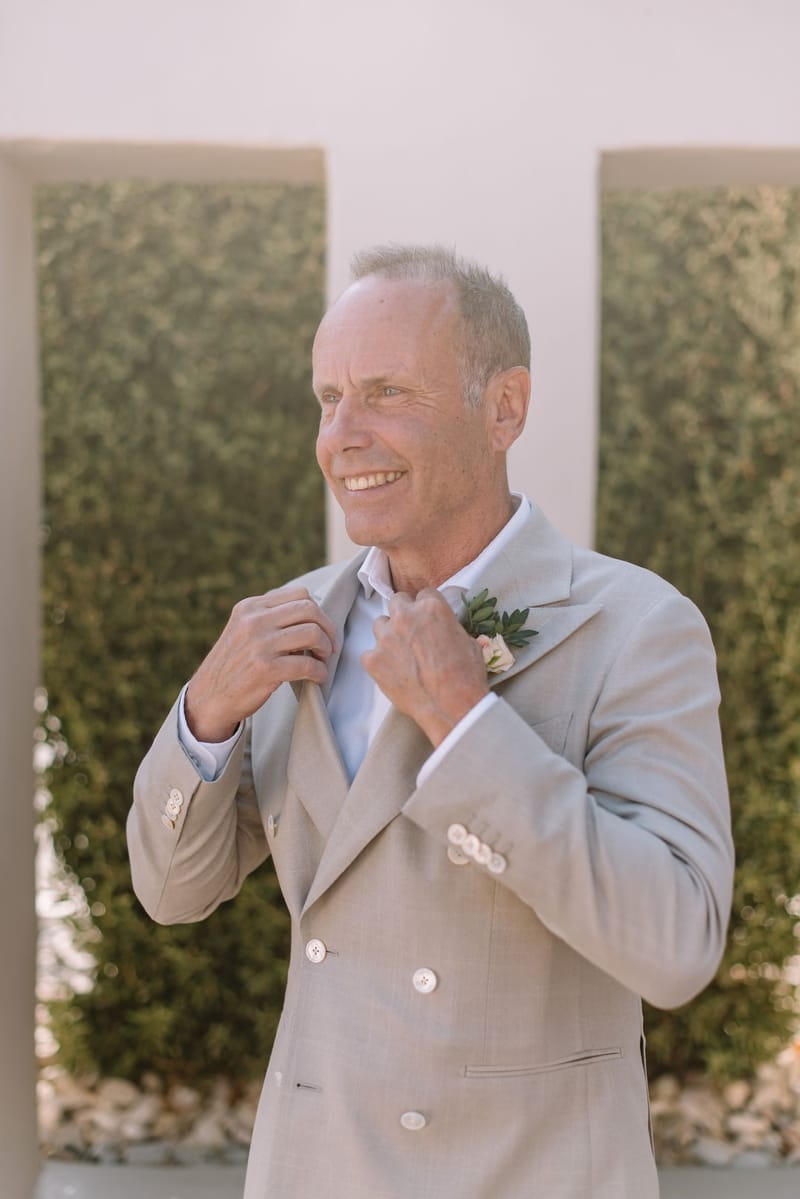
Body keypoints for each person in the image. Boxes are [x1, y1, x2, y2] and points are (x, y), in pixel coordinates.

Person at [128, 244, 733, 1198]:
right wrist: (203, 715)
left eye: (386, 391)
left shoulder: (637, 626)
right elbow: (173, 892)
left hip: (528, 1175)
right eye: (328, 398)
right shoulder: (295, 622)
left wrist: (466, 721)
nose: (342, 434)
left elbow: (676, 944)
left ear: (505, 408)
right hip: (312, 1171)